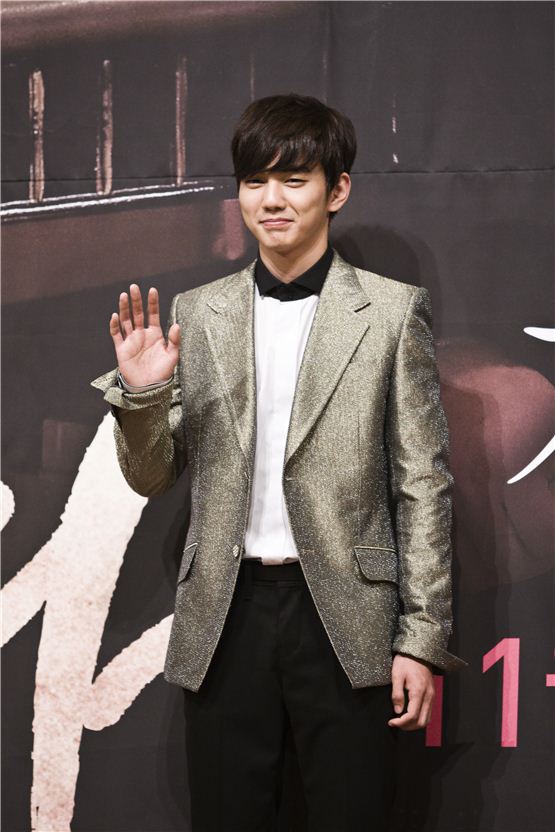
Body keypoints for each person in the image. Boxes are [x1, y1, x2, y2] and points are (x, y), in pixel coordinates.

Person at [91, 93, 467, 832]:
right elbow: (151, 476)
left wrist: (419, 640)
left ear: (337, 189)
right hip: (226, 617)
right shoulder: (199, 314)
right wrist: (142, 397)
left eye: (294, 179)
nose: (271, 198)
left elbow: (421, 486)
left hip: (346, 616)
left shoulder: (392, 313)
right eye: (255, 180)